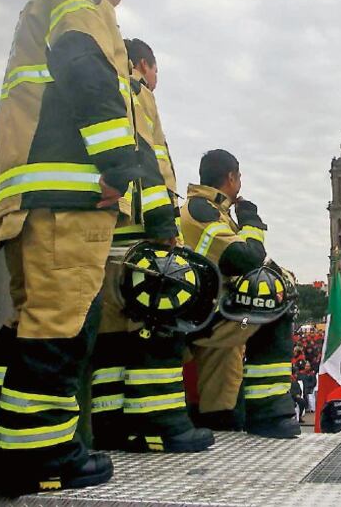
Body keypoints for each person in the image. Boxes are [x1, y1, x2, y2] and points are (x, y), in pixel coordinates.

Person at [0, 0, 169, 495]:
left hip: (32, 197)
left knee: (27, 323)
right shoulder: (81, 7)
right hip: (68, 201)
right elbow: (87, 80)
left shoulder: (43, 8)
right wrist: (120, 169)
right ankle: (42, 456)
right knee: (60, 328)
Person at [87, 37, 214, 454]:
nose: (156, 79)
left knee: (110, 340)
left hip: (102, 232)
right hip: (138, 232)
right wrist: (163, 222)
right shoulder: (134, 90)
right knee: (155, 327)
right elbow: (147, 160)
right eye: (156, 70)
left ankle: (110, 426)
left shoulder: (90, 84)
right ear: (144, 63)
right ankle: (159, 425)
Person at [179, 149, 299, 438]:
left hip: (208, 312)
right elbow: (245, 258)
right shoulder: (200, 210)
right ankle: (270, 411)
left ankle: (222, 417)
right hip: (201, 316)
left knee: (227, 359)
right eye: (239, 177)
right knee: (270, 308)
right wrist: (251, 222)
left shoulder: (211, 210)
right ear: (231, 177)